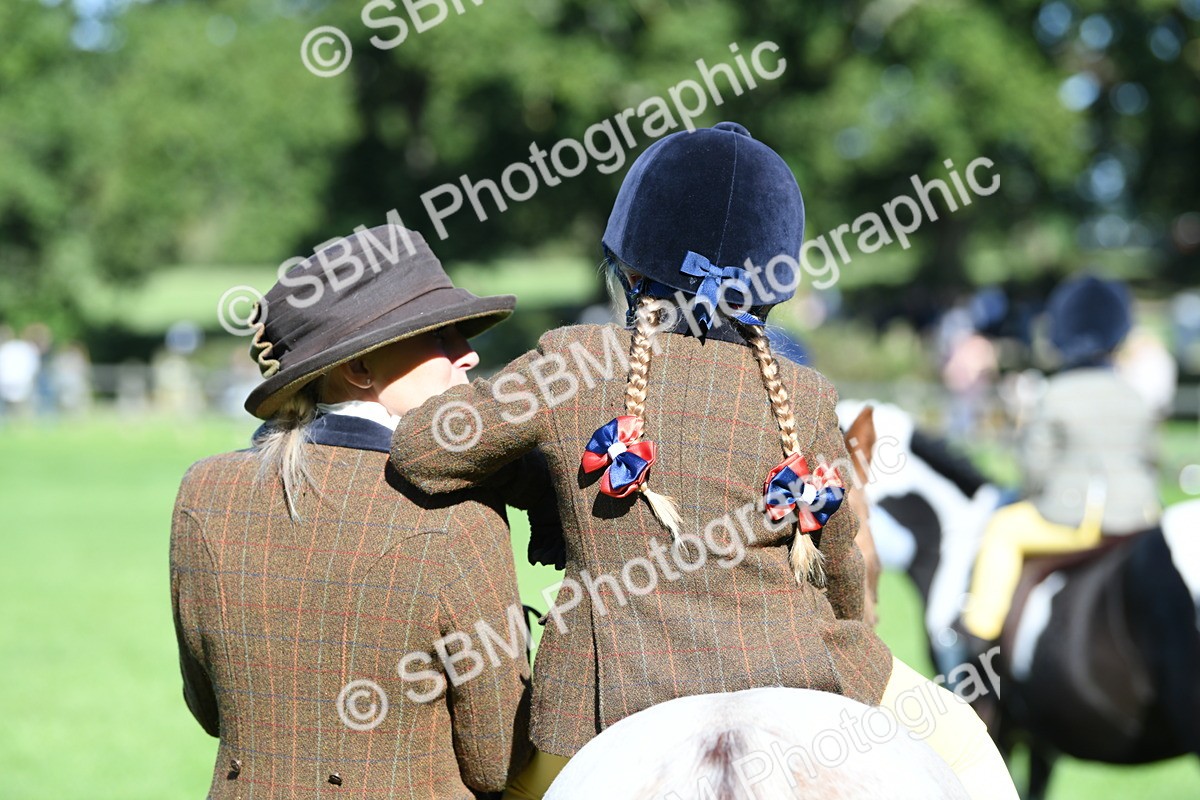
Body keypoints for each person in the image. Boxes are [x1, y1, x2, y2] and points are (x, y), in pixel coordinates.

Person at [389, 123, 1017, 799]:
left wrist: (544, 472)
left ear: (630, 269)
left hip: (604, 694)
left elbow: (423, 451)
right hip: (795, 659)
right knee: (963, 740)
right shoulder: (804, 393)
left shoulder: (575, 360)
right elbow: (838, 560)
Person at [170, 227, 554, 798]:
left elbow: (209, 709)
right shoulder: (457, 513)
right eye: (440, 335)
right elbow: (496, 760)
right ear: (361, 369)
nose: (469, 353)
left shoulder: (203, 492)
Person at [962, 274, 1161, 643]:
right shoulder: (1135, 395)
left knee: (1001, 529)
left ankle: (977, 633)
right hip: (1138, 520)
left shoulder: (1054, 395)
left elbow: (1034, 470)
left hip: (1075, 521)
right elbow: (1151, 459)